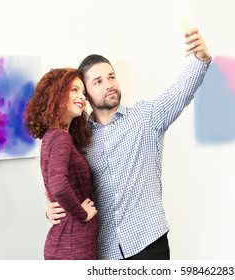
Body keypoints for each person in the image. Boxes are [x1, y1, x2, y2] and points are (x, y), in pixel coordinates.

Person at [46, 27, 211, 260]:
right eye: (98, 81)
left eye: (112, 76)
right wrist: (50, 206)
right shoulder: (78, 140)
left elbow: (179, 93)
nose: (109, 84)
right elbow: (57, 174)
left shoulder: (146, 118)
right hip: (104, 250)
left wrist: (201, 60)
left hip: (148, 242)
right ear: (86, 93)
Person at [25, 68, 97, 260]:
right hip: (72, 244)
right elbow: (58, 185)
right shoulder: (61, 137)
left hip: (66, 241)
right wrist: (82, 214)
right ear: (56, 94)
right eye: (74, 90)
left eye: (83, 92)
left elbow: (53, 188)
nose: (81, 96)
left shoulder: (52, 136)